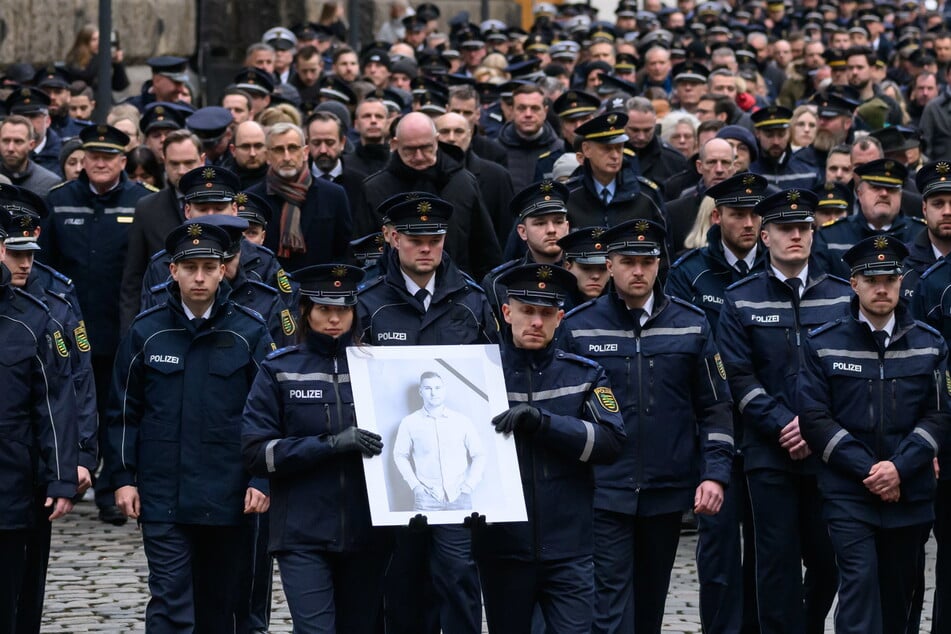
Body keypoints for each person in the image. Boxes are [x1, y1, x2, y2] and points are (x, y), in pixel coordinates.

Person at [562, 218, 735, 634]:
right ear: (609, 264)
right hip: (603, 487)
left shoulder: (691, 323)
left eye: (647, 261)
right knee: (609, 605)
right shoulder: (579, 326)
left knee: (652, 602)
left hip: (666, 486)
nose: (638, 271)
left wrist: (715, 474)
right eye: (627, 261)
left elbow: (715, 406)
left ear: (660, 264)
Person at [105, 219, 274, 632]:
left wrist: (261, 479)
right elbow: (124, 411)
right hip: (164, 493)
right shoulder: (147, 332)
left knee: (222, 603)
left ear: (223, 270)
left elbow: (268, 415)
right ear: (172, 271)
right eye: (190, 267)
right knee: (170, 601)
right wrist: (123, 478)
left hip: (228, 494)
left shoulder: (249, 332)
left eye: (209, 267)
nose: (199, 277)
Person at [358, 193, 496, 634]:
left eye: (435, 239)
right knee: (400, 581)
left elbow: (491, 380)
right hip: (392, 474)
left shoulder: (470, 300)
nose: (426, 248)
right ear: (391, 237)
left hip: (455, 478)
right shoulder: (368, 301)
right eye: (415, 239)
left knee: (457, 576)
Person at [800, 234, 950, 634]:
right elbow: (815, 418)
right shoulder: (824, 343)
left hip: (910, 492)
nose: (881, 288)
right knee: (859, 585)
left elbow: (939, 416)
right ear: (853, 283)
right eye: (871, 279)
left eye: (889, 278)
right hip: (849, 491)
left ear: (902, 282)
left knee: (900, 595)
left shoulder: (929, 344)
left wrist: (899, 469)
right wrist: (872, 471)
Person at [718, 188, 849, 634]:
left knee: (829, 561)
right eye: (785, 229)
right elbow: (738, 376)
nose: (796, 235)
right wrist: (781, 425)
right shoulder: (740, 298)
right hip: (768, 453)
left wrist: (814, 428)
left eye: (803, 228)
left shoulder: (840, 295)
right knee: (775, 566)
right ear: (766, 236)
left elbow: (847, 375)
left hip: (828, 452)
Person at [473, 263, 626, 633]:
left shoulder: (584, 374)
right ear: (507, 313)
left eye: (545, 314)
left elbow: (612, 441)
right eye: (527, 311)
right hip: (503, 547)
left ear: (560, 318)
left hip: (569, 548)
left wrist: (545, 423)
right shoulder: (477, 372)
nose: (536, 322)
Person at [242, 263, 389, 633]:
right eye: (325, 309)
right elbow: (257, 452)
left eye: (343, 309)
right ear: (306, 310)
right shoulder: (280, 369)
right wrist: (328, 446)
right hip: (301, 531)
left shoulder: (380, 367)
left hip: (366, 530)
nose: (335, 318)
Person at [41, 124, 154, 525]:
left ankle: (109, 488)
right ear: (82, 159)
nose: (100, 163)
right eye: (93, 156)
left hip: (116, 322)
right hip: (68, 322)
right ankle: (67, 476)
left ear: (124, 161)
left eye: (109, 157)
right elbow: (46, 264)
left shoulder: (142, 202)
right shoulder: (59, 200)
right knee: (66, 403)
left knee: (111, 404)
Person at [0, 189, 90, 634]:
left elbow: (68, 392)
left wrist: (75, 462)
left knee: (19, 592)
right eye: (12, 251)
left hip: (20, 473)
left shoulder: (45, 310)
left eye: (27, 250)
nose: (23, 263)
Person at [360, 112, 501, 280]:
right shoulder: (374, 189)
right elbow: (363, 254)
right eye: (410, 150)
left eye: (426, 148)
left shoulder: (462, 182)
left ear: (436, 140)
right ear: (395, 144)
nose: (419, 156)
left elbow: (485, 249)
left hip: (458, 290)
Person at [119, 130, 206, 331]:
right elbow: (133, 278)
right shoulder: (147, 208)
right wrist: (130, 334)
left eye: (189, 163)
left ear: (202, 160)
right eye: (175, 164)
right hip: (162, 320)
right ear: (164, 161)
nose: (182, 170)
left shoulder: (221, 205)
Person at [247, 122, 352, 271]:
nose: (287, 157)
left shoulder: (333, 195)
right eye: (278, 150)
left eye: (293, 148)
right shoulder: (251, 198)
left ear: (305, 152)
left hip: (320, 287)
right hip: (270, 287)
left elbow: (344, 250)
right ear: (268, 156)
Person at [394, 371, 486, 511]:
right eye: (428, 388)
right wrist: (416, 487)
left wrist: (469, 485)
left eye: (438, 388)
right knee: (422, 534)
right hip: (426, 499)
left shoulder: (462, 421)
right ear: (420, 392)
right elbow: (400, 455)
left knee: (461, 534)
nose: (433, 393)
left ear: (444, 390)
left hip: (460, 497)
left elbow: (479, 454)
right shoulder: (409, 423)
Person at [816, 159, 925, 277]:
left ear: (900, 195)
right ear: (860, 193)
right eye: (876, 187)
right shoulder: (831, 235)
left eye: (891, 189)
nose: (884, 193)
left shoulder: (921, 234)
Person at [482, 180, 570, 320]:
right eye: (540, 223)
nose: (552, 230)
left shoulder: (585, 273)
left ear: (567, 226)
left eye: (558, 222)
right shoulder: (499, 283)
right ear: (523, 232)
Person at [0, 115, 61, 196]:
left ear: (31, 145)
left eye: (18, 141)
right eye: (6, 141)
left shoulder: (49, 183)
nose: (10, 148)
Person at [64, 23, 129, 92]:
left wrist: (118, 64)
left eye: (100, 39)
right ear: (85, 42)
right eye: (94, 40)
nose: (98, 43)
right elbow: (86, 77)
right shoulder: (74, 58)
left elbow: (120, 86)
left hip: (106, 100)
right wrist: (102, 57)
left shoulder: (100, 59)